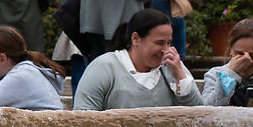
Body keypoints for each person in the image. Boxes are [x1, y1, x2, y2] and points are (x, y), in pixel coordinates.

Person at [72, 8, 200, 110]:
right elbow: (83, 119)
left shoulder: (173, 66)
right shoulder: (103, 67)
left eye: (169, 43)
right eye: (159, 42)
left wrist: (180, 77)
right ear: (135, 39)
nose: (165, 50)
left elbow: (199, 116)